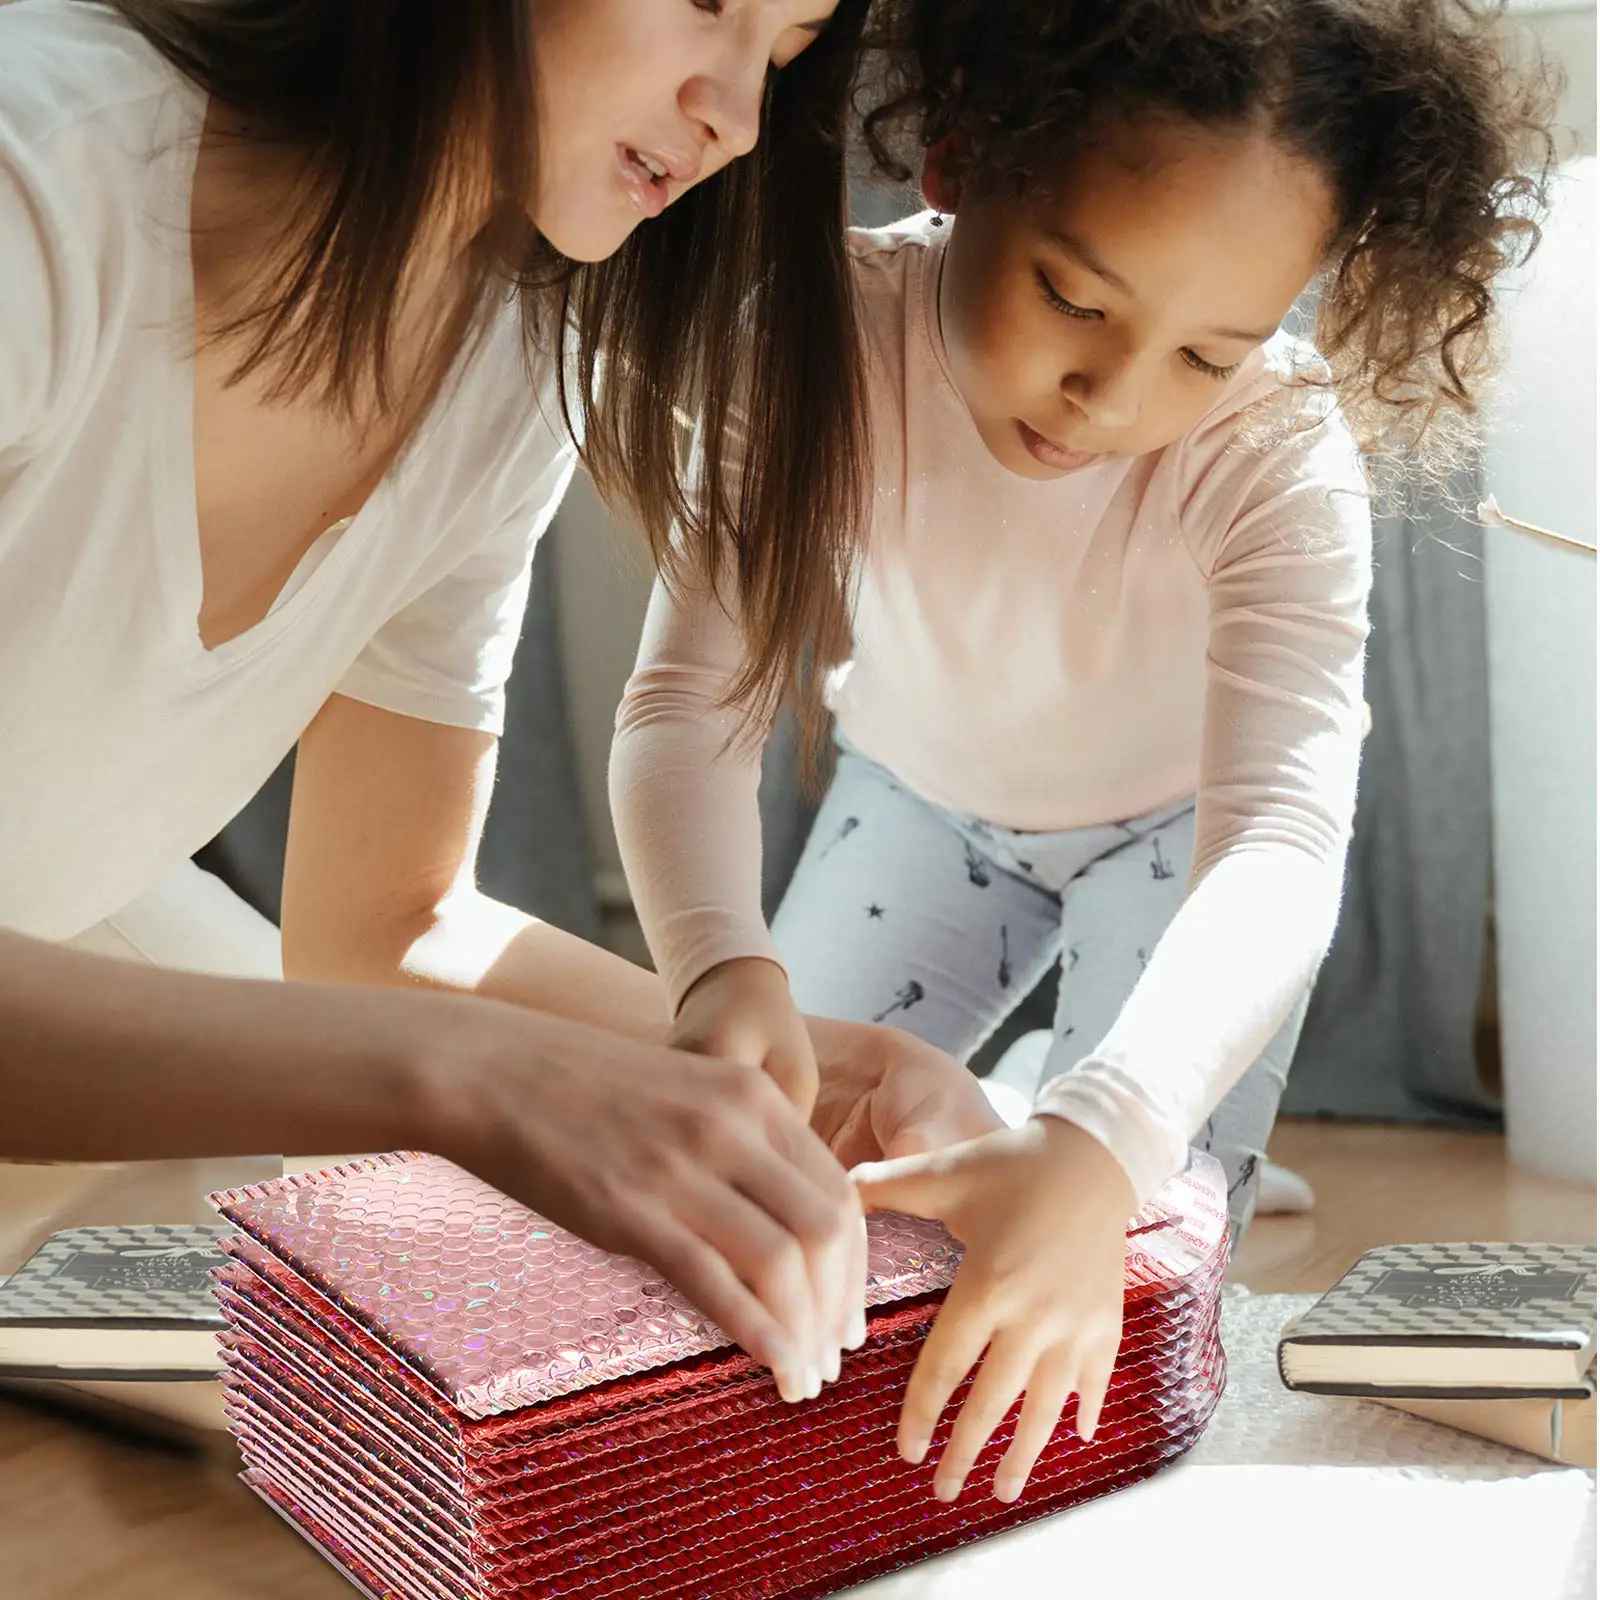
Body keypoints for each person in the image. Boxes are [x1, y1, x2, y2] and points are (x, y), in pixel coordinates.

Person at [0, 0, 1002, 1412]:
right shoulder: (39, 178)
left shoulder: (507, 349)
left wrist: (798, 1069)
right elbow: (406, 1030)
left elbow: (386, 926)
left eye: (782, 49)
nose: (736, 111)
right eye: (710, 2)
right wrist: (478, 1080)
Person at [611, 0, 1553, 1498]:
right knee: (793, 1185)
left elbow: (1280, 846)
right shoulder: (817, 336)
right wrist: (718, 968)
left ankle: (1092, 1083)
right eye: (1073, 297)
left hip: (1174, 847)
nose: (1113, 402)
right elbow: (683, 703)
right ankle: (1038, 1092)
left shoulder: (1279, 451)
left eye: (1208, 352)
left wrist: (1111, 1134)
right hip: (917, 799)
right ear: (962, 162)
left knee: (1127, 1278)